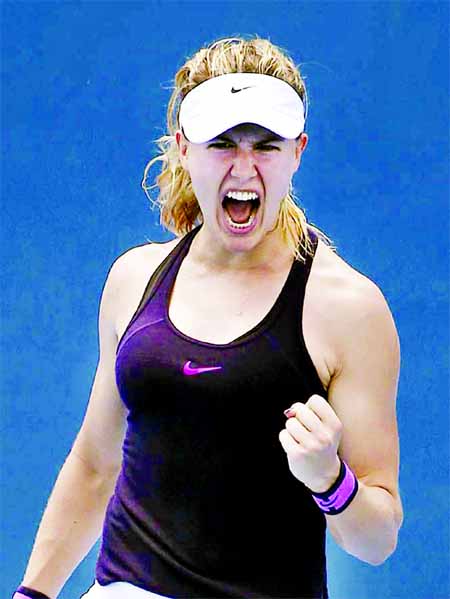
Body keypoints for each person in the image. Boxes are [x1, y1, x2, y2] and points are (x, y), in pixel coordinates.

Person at [13, 35, 404, 599]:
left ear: (298, 151)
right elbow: (95, 465)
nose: (244, 166)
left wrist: (330, 481)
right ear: (183, 149)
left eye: (266, 144)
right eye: (222, 143)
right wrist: (33, 594)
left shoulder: (349, 309)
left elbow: (378, 539)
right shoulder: (133, 281)